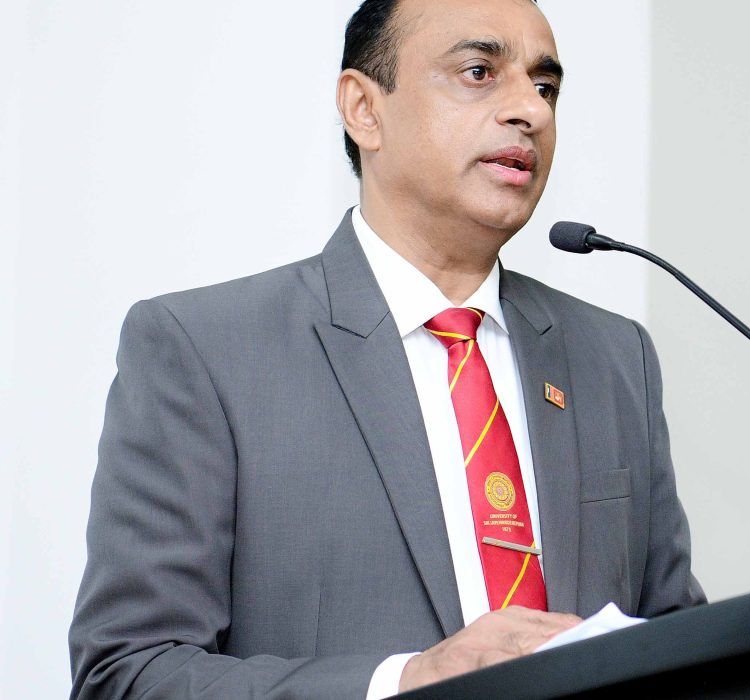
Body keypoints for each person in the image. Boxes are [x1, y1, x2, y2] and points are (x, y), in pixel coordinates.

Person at [68, 0, 704, 696]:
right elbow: (129, 674)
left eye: (545, 86)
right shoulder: (204, 351)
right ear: (364, 109)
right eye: (479, 71)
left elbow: (680, 645)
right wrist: (406, 681)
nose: (531, 111)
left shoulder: (614, 357)